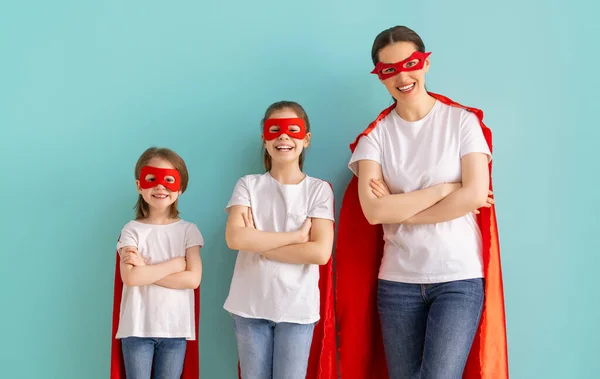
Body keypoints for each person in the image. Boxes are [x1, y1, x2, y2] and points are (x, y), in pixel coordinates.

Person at [335, 25, 509, 379]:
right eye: (389, 70)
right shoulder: (375, 137)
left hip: (458, 277)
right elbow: (373, 211)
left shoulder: (462, 122)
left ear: (425, 64)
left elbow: (475, 194)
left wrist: (401, 211)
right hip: (398, 282)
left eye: (410, 63)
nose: (402, 75)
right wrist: (445, 191)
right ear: (381, 78)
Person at [224, 101, 336, 379]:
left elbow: (320, 252)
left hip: (297, 308)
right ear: (264, 138)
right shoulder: (247, 185)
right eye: (274, 130)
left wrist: (261, 245)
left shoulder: (318, 191)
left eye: (292, 130)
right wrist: (296, 238)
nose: (283, 137)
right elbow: (235, 237)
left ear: (306, 139)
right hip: (249, 305)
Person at [109, 147, 204, 379]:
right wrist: (174, 265)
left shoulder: (188, 231)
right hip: (137, 329)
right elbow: (131, 277)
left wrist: (145, 268)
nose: (160, 186)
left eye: (169, 180)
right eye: (151, 179)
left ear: (180, 188)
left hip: (175, 330)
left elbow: (192, 279)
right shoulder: (131, 230)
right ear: (139, 185)